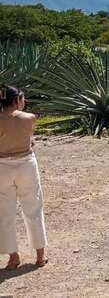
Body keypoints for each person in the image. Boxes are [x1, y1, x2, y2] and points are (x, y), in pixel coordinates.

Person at [0, 85, 48, 269]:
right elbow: (28, 138)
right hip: (26, 164)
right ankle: (40, 255)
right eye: (22, 98)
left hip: (2, 166)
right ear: (15, 100)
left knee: (5, 212)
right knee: (33, 207)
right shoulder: (29, 118)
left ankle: (13, 257)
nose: (24, 101)